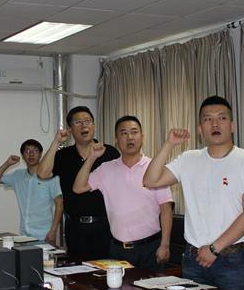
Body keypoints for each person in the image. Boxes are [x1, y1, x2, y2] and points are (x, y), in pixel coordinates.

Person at [143, 96, 244, 290]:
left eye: (222, 118)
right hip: (194, 258)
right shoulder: (188, 159)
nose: (215, 124)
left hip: (230, 260)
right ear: (200, 129)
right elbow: (150, 180)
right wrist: (169, 144)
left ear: (232, 126)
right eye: (208, 119)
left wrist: (214, 249)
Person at [72, 116, 173, 272]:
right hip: (117, 250)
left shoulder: (154, 168)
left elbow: (166, 209)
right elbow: (78, 188)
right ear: (116, 140)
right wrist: (92, 157)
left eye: (134, 132)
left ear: (142, 137)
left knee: (152, 288)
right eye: (124, 133)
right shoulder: (106, 169)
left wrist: (165, 245)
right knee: (118, 288)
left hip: (150, 248)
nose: (130, 137)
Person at [37, 106, 120, 258]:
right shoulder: (64, 155)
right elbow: (42, 173)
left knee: (105, 268)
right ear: (70, 129)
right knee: (77, 269)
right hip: (75, 227)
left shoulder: (109, 152)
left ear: (94, 125)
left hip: (105, 225)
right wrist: (56, 142)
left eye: (87, 121)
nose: (84, 125)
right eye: (78, 122)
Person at [0, 139, 63, 244]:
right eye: (27, 151)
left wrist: (53, 231)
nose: (31, 154)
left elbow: (59, 205)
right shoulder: (17, 175)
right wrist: (7, 163)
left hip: (45, 235)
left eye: (35, 150)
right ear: (23, 156)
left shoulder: (50, 177)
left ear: (40, 154)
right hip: (24, 235)